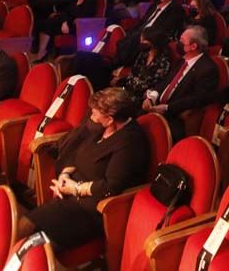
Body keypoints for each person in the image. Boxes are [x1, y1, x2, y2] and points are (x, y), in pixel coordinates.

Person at [21, 88, 149, 250]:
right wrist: (65, 175)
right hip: (71, 199)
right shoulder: (101, 128)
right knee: (24, 226)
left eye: (95, 114)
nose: (91, 117)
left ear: (109, 119)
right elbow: (77, 154)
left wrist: (74, 189)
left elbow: (111, 186)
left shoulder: (130, 142)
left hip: (93, 209)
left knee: (31, 247)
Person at [143, 26, 219, 141]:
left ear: (193, 46)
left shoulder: (208, 69)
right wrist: (152, 97)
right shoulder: (181, 60)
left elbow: (198, 99)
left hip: (175, 116)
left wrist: (167, 108)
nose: (178, 44)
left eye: (182, 41)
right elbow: (165, 81)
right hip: (156, 107)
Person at [35, 0, 100, 58]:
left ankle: (43, 53)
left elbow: (82, 16)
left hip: (79, 26)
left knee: (49, 25)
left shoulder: (91, 1)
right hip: (66, 21)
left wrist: (67, 21)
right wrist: (65, 22)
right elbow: (67, 11)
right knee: (45, 23)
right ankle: (42, 51)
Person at [112, 30, 173, 100]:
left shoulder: (163, 61)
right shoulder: (143, 54)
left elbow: (156, 83)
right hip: (128, 88)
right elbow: (133, 73)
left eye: (143, 40)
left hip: (141, 95)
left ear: (152, 42)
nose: (140, 42)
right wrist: (121, 80)